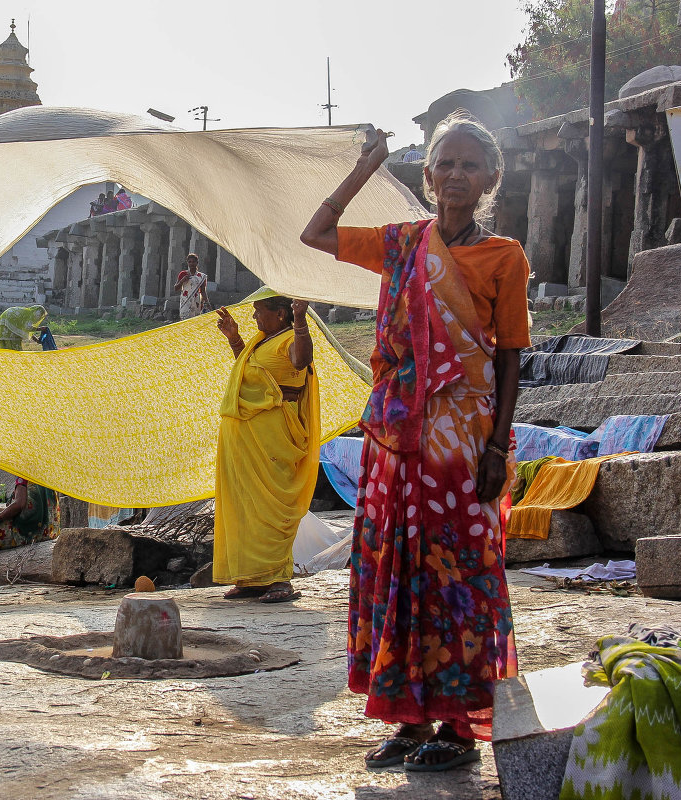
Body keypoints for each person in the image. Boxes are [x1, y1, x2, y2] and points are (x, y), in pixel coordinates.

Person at [300, 113, 530, 771]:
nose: (456, 175)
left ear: (489, 180)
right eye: (444, 164)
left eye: (469, 165)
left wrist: (495, 449)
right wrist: (368, 168)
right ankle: (408, 715)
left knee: (455, 572)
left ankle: (457, 726)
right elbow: (314, 233)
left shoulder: (503, 256)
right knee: (393, 568)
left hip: (462, 444)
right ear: (426, 174)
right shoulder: (400, 242)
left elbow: (511, 354)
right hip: (396, 443)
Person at [212, 297, 319, 603]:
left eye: (260, 311)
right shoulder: (260, 342)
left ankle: (279, 580)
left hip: (273, 437)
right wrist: (235, 339)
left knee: (271, 507)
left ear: (281, 313)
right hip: (243, 438)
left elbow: (301, 360)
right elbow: (252, 374)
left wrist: (300, 321)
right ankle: (250, 579)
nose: (255, 316)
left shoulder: (290, 338)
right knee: (244, 506)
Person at [173, 253, 210, 320]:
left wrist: (207, 303)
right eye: (189, 262)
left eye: (193, 262)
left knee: (195, 321)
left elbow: (203, 291)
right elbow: (176, 288)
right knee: (184, 319)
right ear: (187, 263)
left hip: (196, 301)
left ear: (197, 263)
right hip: (185, 300)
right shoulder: (183, 274)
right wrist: (182, 280)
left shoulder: (202, 276)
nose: (191, 264)